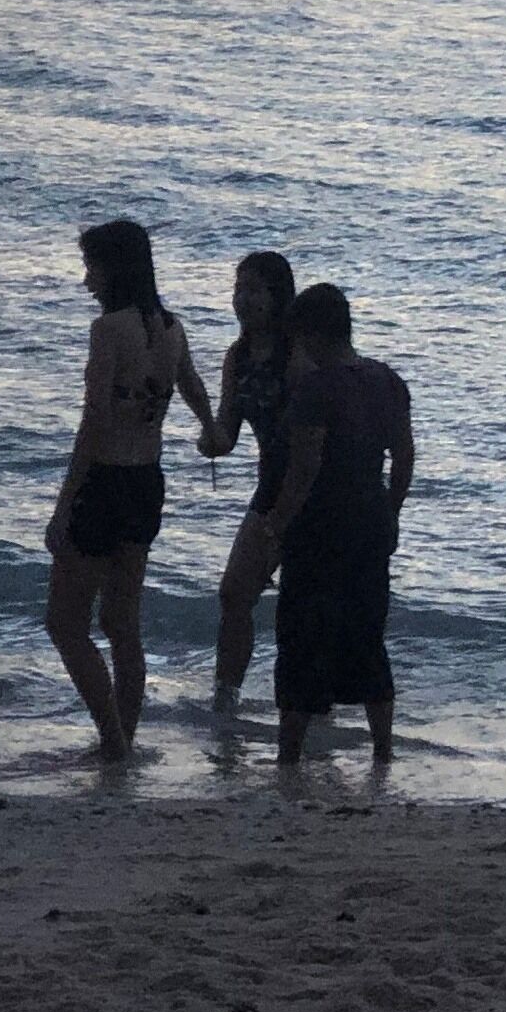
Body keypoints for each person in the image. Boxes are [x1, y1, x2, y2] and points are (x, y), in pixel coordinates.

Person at [46, 217, 212, 759]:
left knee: (66, 624)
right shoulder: (171, 326)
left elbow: (93, 422)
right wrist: (210, 428)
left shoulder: (108, 330)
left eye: (91, 266)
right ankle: (125, 737)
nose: (85, 279)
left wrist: (63, 505)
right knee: (122, 621)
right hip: (147, 481)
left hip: (104, 481)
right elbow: (190, 383)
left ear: (113, 268)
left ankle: (113, 740)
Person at [262, 282, 412, 766]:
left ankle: (290, 753)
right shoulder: (386, 380)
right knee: (367, 634)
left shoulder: (316, 389)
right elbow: (404, 455)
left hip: (320, 527)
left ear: (310, 335)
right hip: (369, 520)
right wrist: (391, 509)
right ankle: (383, 749)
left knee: (302, 637)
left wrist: (276, 527)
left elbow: (305, 468)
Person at [196, 250, 297, 710]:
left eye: (254, 289)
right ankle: (226, 696)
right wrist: (208, 436)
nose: (242, 299)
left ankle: (309, 705)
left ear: (278, 296)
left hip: (310, 489)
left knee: (305, 605)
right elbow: (228, 433)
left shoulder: (296, 354)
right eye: (238, 288)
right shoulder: (237, 357)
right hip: (269, 485)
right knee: (235, 592)